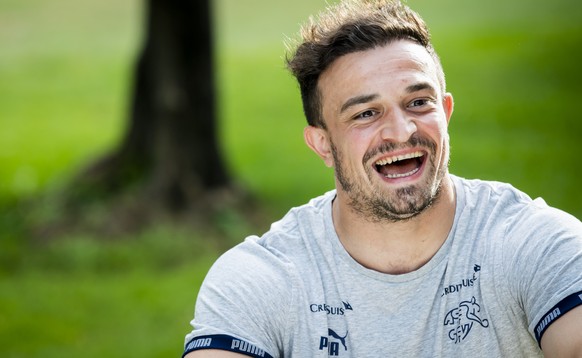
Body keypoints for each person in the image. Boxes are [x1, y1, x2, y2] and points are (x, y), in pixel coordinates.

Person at [182, 0, 582, 356]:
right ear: (322, 143)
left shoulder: (532, 243)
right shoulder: (262, 280)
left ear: (445, 111)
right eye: (366, 114)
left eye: (418, 102)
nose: (402, 131)